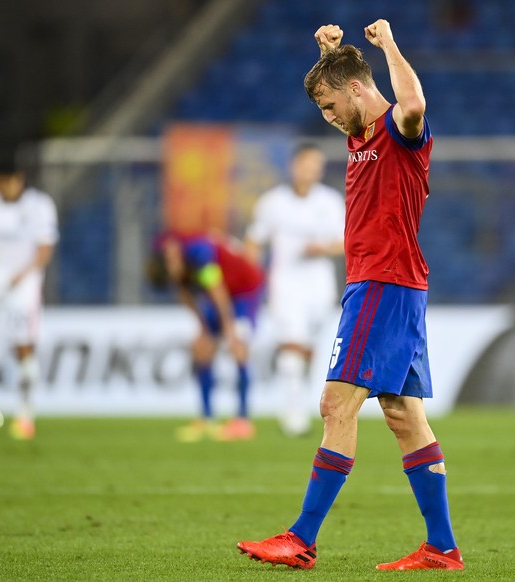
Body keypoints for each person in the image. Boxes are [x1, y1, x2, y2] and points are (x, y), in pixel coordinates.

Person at [237, 21, 463, 571]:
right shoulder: (362, 135)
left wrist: (387, 45)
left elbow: (412, 100)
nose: (329, 118)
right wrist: (332, 58)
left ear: (360, 91)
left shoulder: (401, 130)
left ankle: (302, 538)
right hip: (394, 285)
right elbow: (350, 95)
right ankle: (442, 547)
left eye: (330, 106)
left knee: (336, 404)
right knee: (404, 416)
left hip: (382, 284)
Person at [245, 143, 344, 437]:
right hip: (285, 284)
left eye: (317, 165)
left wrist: (322, 247)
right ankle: (293, 415)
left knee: (309, 348)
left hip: (319, 284)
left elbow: (346, 241)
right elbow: (254, 241)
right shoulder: (272, 202)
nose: (311, 170)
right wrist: (251, 275)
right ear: (294, 166)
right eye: (307, 164)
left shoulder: (330, 201)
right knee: (292, 344)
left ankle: (300, 402)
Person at [0, 159, 59, 440]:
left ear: (20, 179)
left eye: (11, 181)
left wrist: (26, 275)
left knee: (23, 346)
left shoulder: (40, 205)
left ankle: (25, 416)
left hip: (24, 283)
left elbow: (45, 249)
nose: (6, 187)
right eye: (0, 181)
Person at [148, 232, 264, 442]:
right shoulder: (169, 260)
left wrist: (229, 329)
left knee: (237, 347)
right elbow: (184, 294)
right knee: (201, 348)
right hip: (221, 296)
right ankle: (207, 418)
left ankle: (242, 421)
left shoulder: (199, 253)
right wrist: (202, 325)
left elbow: (216, 289)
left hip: (244, 290)